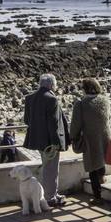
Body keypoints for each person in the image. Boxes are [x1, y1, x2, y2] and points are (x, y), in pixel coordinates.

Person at [23, 73, 69, 207]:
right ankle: (50, 197)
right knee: (51, 169)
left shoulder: (30, 98)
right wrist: (56, 143)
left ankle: (51, 193)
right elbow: (54, 124)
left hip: (37, 139)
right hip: (50, 141)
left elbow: (27, 120)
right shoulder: (51, 99)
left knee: (47, 167)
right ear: (51, 85)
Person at [70, 78, 111, 205]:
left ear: (85, 89)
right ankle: (102, 176)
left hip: (90, 138)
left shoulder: (81, 104)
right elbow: (109, 117)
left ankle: (97, 197)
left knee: (92, 165)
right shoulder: (105, 100)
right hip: (105, 136)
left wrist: (73, 136)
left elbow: (76, 124)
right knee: (101, 160)